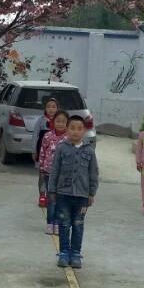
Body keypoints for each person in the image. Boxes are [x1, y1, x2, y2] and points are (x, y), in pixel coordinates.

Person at [48, 115, 99, 269]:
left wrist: (91, 193)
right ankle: (64, 253)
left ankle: (76, 254)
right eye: (72, 128)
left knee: (78, 224)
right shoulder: (61, 148)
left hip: (82, 196)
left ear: (84, 131)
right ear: (67, 130)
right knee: (64, 224)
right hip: (63, 194)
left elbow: (93, 173)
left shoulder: (89, 151)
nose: (75, 132)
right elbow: (55, 170)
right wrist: (52, 190)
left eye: (79, 129)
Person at [38, 110, 69, 235]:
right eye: (58, 121)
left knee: (61, 201)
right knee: (51, 200)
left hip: (63, 175)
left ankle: (57, 223)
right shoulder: (47, 136)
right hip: (48, 173)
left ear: (67, 123)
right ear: (53, 122)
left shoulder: (68, 139)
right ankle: (50, 223)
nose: (60, 124)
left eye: (63, 122)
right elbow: (42, 152)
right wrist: (41, 168)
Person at [32, 97, 60, 208]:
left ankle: (50, 195)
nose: (51, 109)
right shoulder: (41, 120)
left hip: (55, 154)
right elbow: (35, 135)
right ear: (45, 108)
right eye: (48, 107)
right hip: (42, 152)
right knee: (42, 175)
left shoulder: (60, 122)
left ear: (58, 108)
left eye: (53, 107)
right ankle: (42, 195)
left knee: (54, 176)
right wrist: (34, 150)